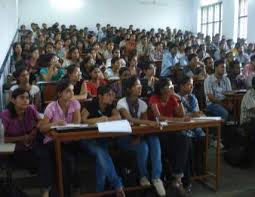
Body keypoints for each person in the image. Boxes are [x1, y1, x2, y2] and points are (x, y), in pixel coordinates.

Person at [117, 76, 166, 196]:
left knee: (154, 139)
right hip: (125, 137)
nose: (140, 87)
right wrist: (150, 122)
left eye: (140, 85)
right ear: (129, 89)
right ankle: (143, 176)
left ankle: (156, 177)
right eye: (137, 86)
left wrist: (140, 134)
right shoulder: (121, 103)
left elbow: (143, 124)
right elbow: (129, 119)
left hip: (139, 135)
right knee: (143, 147)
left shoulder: (143, 104)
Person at [0, 88, 52, 197]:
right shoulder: (5, 115)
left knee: (45, 155)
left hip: (32, 145)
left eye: (27, 98)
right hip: (16, 149)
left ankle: (45, 191)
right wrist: (22, 138)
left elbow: (41, 121)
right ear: (13, 100)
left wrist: (35, 130)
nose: (26, 101)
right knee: (40, 161)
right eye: (22, 98)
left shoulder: (30, 109)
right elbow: (2, 139)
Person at [148, 78, 191, 196]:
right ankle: (177, 181)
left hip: (171, 132)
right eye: (170, 86)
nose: (172, 88)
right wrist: (180, 120)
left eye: (172, 85)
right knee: (176, 143)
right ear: (162, 89)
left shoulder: (172, 98)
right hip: (157, 133)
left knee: (185, 140)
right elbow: (159, 117)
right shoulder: (154, 99)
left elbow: (181, 114)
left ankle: (177, 178)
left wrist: (179, 99)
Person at [80, 85, 125, 196]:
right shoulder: (91, 104)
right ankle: (117, 185)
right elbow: (82, 120)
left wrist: (106, 119)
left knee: (101, 158)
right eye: (108, 95)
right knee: (101, 152)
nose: (111, 97)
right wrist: (99, 119)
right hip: (88, 139)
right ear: (100, 96)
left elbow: (118, 117)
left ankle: (99, 192)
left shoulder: (110, 106)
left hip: (103, 139)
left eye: (112, 95)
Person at [39, 79, 81, 197]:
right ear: (59, 94)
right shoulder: (51, 106)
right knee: (66, 163)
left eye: (72, 91)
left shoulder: (75, 104)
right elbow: (42, 128)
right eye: (68, 91)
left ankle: (74, 189)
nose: (72, 94)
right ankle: (69, 191)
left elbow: (77, 123)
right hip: (53, 142)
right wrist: (55, 123)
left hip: (69, 141)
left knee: (70, 162)